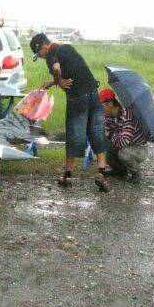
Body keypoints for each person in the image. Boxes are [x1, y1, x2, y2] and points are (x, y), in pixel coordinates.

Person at [31, 33, 111, 192]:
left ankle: (68, 176)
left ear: (43, 47)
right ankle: (102, 174)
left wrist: (59, 81)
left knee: (74, 135)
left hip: (78, 97)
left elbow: (56, 68)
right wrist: (53, 82)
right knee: (97, 132)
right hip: (93, 93)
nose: (40, 57)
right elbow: (73, 71)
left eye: (38, 54)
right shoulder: (67, 48)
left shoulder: (51, 54)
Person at [99, 87, 148, 184]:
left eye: (101, 105)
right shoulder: (108, 116)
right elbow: (108, 137)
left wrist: (108, 134)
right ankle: (120, 171)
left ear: (110, 104)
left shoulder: (126, 116)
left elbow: (123, 142)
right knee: (104, 147)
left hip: (138, 148)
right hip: (124, 144)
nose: (100, 109)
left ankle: (136, 173)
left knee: (124, 153)